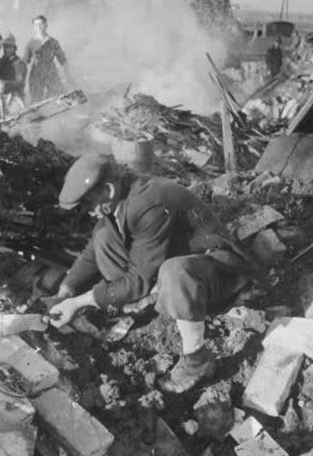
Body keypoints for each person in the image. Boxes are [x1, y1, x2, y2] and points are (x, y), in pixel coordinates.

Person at [47, 155, 254, 393]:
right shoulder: (119, 199)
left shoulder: (148, 203)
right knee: (103, 237)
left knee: (173, 272)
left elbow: (138, 280)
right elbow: (93, 251)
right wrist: (67, 290)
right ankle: (132, 304)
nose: (86, 211)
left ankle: (197, 360)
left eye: (87, 203)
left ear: (107, 189)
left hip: (218, 273)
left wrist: (80, 302)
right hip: (183, 268)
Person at [24, 15, 69, 103]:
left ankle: (71, 110)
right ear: (34, 28)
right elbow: (25, 61)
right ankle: (38, 115)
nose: (39, 27)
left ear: (46, 25)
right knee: (36, 98)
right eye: (36, 25)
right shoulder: (31, 43)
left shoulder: (53, 42)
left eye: (41, 24)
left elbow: (63, 60)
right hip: (36, 73)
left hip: (50, 71)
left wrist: (69, 76)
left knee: (58, 93)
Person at [0, 32, 28, 114]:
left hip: (15, 99)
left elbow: (19, 81)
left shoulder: (19, 63)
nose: (5, 49)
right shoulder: (0, 62)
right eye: (3, 46)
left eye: (8, 46)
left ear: (14, 48)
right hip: (1, 99)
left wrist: (4, 83)